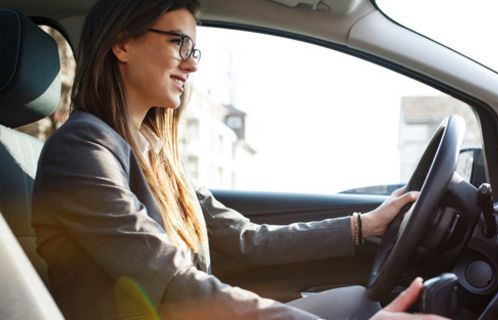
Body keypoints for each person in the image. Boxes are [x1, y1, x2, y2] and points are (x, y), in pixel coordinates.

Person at [32, 0, 447, 319]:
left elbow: (248, 240)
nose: (192, 63)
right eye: (179, 43)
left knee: (360, 301)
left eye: (195, 48)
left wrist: (363, 226)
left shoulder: (155, 153)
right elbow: (172, 279)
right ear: (122, 43)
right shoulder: (81, 151)